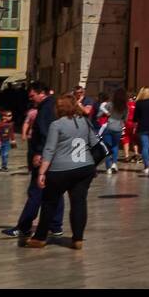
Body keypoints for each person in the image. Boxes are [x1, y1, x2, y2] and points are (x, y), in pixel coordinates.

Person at [26, 95, 98, 249]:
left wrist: (41, 173)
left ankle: (40, 237)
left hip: (60, 169)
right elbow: (96, 143)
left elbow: (50, 149)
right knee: (79, 202)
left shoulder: (56, 125)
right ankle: (78, 238)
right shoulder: (85, 121)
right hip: (84, 168)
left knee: (49, 202)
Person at [4, 82, 63, 242]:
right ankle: (56, 226)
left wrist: (39, 153)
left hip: (45, 157)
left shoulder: (45, 109)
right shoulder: (52, 106)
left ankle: (24, 226)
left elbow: (45, 133)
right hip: (54, 157)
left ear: (41, 93)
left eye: (32, 96)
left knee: (36, 192)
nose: (31, 99)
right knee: (55, 191)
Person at [98, 87, 127, 176]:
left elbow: (99, 114)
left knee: (107, 147)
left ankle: (108, 168)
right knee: (115, 146)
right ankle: (114, 163)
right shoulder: (125, 106)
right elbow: (125, 118)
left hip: (109, 126)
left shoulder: (110, 104)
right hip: (118, 128)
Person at [133, 87, 149, 174]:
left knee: (145, 146)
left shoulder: (139, 103)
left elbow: (135, 117)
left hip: (142, 127)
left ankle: (146, 166)